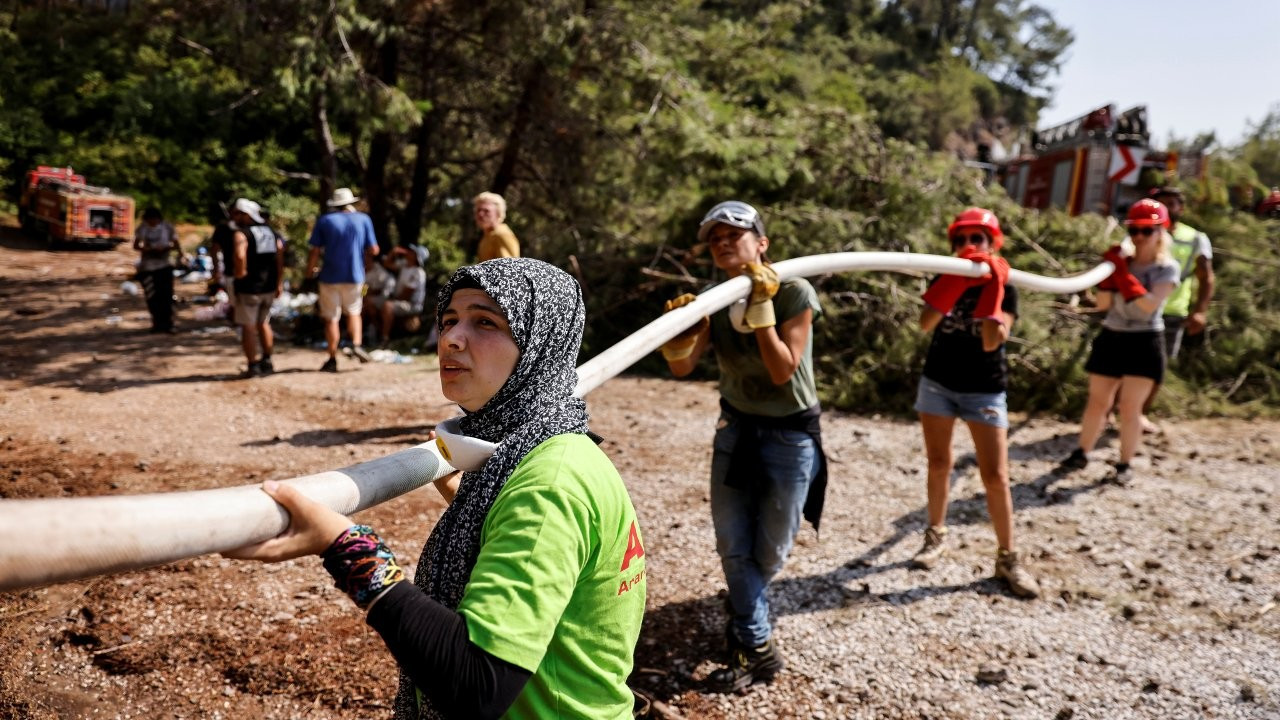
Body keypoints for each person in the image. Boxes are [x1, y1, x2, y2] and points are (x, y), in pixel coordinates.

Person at [226, 257, 646, 719]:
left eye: (485, 321)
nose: (450, 338)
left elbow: (478, 685)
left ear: (540, 344)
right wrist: (473, 501)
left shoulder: (548, 485)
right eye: (448, 321)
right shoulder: (559, 449)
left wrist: (347, 549)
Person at [661, 200, 826, 693]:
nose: (724, 242)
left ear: (762, 242)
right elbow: (682, 369)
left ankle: (743, 606)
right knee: (734, 546)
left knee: (771, 550)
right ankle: (757, 647)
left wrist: (762, 311)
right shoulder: (714, 298)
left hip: (790, 434)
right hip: (735, 429)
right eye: (715, 237)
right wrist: (680, 338)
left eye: (735, 232)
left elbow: (782, 370)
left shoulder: (795, 289)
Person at [910, 208, 1039, 598]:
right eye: (962, 240)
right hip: (938, 384)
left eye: (977, 239)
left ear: (992, 243)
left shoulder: (1007, 284)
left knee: (995, 476)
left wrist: (992, 289)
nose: (969, 246)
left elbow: (990, 341)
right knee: (938, 463)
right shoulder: (943, 275)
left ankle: (1008, 557)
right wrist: (952, 281)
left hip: (984, 388)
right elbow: (925, 323)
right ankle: (936, 536)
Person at [1059, 199, 1180, 485]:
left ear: (1160, 232)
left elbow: (1149, 306)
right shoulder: (1119, 264)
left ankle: (1124, 464)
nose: (1139, 237)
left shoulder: (1167, 269)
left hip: (1144, 340)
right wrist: (1108, 278)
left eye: (1146, 231)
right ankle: (1081, 452)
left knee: (1129, 408)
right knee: (1097, 402)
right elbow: (1102, 304)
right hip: (1112, 336)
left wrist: (1123, 275)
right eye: (1135, 230)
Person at [1136, 186, 1215, 432]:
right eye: (1161, 203)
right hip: (1137, 308)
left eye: (1172, 203)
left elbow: (1206, 277)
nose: (1167, 208)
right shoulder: (1139, 231)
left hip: (1171, 311)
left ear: (1181, 208)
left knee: (1156, 367)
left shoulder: (1195, 238)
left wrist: (1200, 310)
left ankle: (1139, 414)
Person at [307, 187, 379, 372]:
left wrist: (309, 271)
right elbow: (374, 249)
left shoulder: (325, 220)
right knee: (354, 311)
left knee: (331, 318)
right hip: (355, 275)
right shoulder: (363, 219)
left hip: (330, 276)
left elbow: (315, 250)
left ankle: (332, 358)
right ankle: (356, 344)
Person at [230, 198, 284, 377]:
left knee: (248, 326)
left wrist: (240, 272)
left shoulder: (241, 234)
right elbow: (280, 256)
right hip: (268, 287)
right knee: (264, 323)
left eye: (237, 213)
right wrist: (279, 282)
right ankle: (267, 360)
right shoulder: (271, 232)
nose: (234, 217)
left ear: (246, 215)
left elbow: (239, 255)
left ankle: (253, 365)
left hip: (249, 288)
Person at [132, 207, 184, 334]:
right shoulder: (142, 229)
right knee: (152, 296)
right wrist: (147, 249)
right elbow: (136, 245)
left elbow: (176, 244)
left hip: (164, 265)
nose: (152, 222)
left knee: (166, 295)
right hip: (148, 267)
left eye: (154, 220)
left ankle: (169, 323)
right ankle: (157, 323)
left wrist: (173, 251)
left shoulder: (167, 228)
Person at [377, 245, 429, 343]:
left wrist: (392, 299)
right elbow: (387, 264)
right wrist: (393, 252)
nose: (409, 252)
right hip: (401, 300)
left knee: (387, 306)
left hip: (412, 305)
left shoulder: (418, 273)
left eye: (413, 252)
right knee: (373, 304)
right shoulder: (405, 265)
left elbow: (407, 294)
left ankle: (384, 338)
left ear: (416, 257)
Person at [473, 191, 519, 261]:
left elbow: (508, 268)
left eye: (486, 211)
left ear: (498, 213)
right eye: (478, 210)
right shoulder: (488, 235)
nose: (480, 214)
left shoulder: (501, 234)